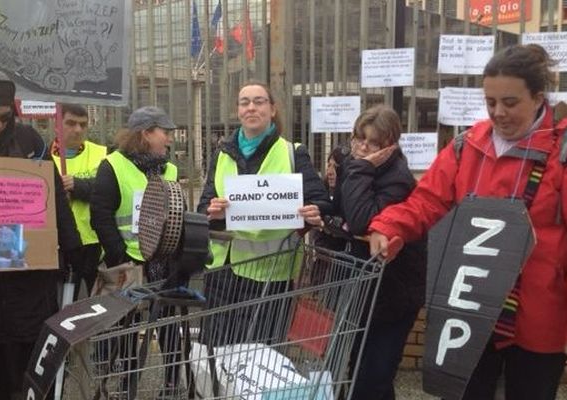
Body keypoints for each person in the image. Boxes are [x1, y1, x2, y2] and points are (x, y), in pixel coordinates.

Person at [369, 44, 567, 400]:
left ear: (538, 99)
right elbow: (427, 200)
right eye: (491, 102)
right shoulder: (467, 146)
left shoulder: (561, 152)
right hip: (468, 307)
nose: (498, 113)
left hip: (538, 311)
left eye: (510, 102)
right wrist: (390, 226)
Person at [0, 68, 82, 400]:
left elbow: (56, 199)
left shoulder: (30, 142)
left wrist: (73, 248)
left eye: (5, 117)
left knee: (28, 367)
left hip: (27, 285)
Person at [197, 80, 332, 345]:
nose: (251, 108)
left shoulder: (293, 153)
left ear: (272, 109)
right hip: (223, 275)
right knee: (218, 350)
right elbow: (204, 206)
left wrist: (314, 212)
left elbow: (320, 201)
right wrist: (212, 211)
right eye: (244, 102)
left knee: (259, 355)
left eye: (259, 102)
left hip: (269, 275)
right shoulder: (222, 154)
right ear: (238, 111)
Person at [329, 105, 426, 400]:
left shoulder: (397, 180)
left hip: (393, 295)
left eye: (370, 142)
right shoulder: (356, 167)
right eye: (357, 138)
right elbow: (341, 213)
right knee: (360, 373)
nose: (360, 147)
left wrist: (360, 169)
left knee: (372, 379)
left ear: (388, 146)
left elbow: (362, 221)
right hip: (363, 292)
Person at [90, 105, 180, 397]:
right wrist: (121, 259)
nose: (168, 139)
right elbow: (101, 217)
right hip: (129, 263)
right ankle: (127, 383)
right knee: (127, 329)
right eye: (164, 133)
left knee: (168, 325)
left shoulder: (170, 169)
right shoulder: (113, 165)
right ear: (145, 133)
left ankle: (172, 383)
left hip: (162, 262)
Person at [51, 103, 107, 297]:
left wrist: (77, 185)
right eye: (71, 123)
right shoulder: (43, 156)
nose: (78, 130)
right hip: (61, 242)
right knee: (65, 299)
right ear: (57, 125)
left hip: (93, 241)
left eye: (83, 125)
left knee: (96, 301)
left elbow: (105, 190)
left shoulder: (101, 154)